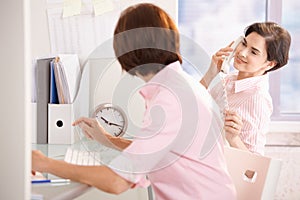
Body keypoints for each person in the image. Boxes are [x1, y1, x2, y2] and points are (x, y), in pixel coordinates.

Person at [32, 3, 236, 199]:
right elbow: (155, 150)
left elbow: (116, 182)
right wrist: (107, 139)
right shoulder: (178, 86)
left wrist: (44, 163)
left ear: (124, 52)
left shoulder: (171, 99)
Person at [200, 22, 291, 155]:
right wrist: (210, 73)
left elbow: (252, 171)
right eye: (243, 43)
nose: (242, 53)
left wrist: (233, 138)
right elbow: (192, 105)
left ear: (269, 64)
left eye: (253, 52)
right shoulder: (229, 79)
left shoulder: (258, 99)